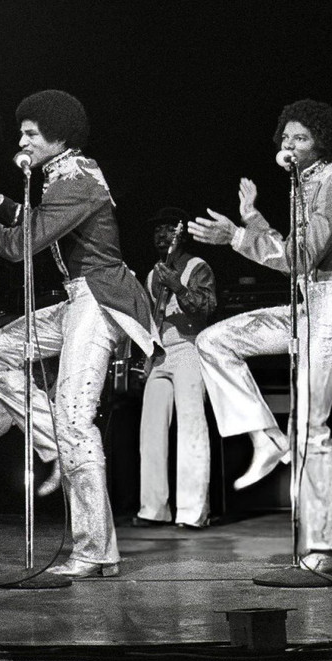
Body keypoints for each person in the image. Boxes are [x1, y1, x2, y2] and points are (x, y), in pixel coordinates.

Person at [0, 89, 155, 578]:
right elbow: (39, 223)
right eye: (22, 133)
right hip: (79, 300)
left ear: (59, 136)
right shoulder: (63, 175)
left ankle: (95, 550)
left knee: (75, 419)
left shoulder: (78, 178)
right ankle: (52, 440)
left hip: (101, 300)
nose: (22, 141)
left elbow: (19, 246)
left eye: (31, 133)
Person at [188, 100, 332, 574]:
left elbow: (302, 257)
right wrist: (253, 218)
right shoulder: (304, 183)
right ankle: (266, 438)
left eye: (301, 138)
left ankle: (329, 548)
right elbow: (293, 253)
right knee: (213, 341)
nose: (290, 145)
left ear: (322, 142)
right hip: (308, 306)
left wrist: (236, 236)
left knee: (311, 426)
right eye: (286, 137)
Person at [135, 207, 217, 530]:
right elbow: (151, 321)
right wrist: (146, 357)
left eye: (168, 228)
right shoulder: (152, 275)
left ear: (180, 234)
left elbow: (207, 307)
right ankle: (153, 509)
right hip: (160, 353)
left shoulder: (197, 266)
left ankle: (193, 511)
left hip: (189, 347)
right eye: (157, 229)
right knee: (151, 431)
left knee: (191, 428)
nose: (161, 234)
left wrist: (179, 288)